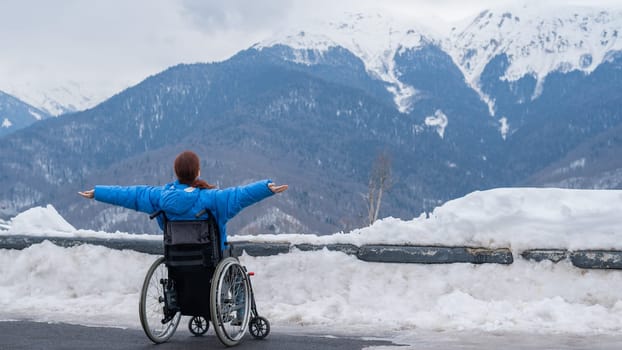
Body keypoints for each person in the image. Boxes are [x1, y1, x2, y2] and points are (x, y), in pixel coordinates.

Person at [79, 150, 288, 252]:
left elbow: (130, 195)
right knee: (235, 267)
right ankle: (240, 315)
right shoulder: (213, 198)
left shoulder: (159, 197)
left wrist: (98, 192)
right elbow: (240, 195)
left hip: (177, 258)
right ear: (198, 172)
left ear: (176, 173)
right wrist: (265, 188)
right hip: (211, 258)